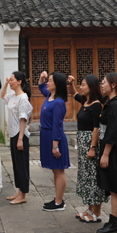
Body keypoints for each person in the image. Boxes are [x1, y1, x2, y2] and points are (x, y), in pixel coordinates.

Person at [68, 74, 108, 223]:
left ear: (91, 86)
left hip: (90, 142)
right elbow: (73, 93)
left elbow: (96, 128)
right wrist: (71, 83)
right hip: (83, 143)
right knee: (87, 177)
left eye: (83, 85)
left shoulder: (96, 105)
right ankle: (90, 209)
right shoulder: (85, 101)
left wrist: (92, 147)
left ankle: (96, 212)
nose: (81, 87)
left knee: (93, 178)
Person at [95, 72, 117, 233]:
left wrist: (105, 154)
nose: (102, 85)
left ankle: (114, 222)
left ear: (113, 84)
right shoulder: (111, 102)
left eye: (104, 82)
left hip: (113, 148)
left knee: (116, 188)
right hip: (114, 147)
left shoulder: (115, 105)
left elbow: (112, 131)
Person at [39, 71, 70, 212]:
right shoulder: (49, 96)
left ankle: (59, 203)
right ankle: (58, 199)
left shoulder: (59, 102)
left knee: (59, 170)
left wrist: (55, 146)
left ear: (57, 84)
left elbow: (57, 125)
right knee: (55, 170)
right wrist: (42, 77)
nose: (48, 82)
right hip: (46, 135)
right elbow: (41, 87)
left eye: (50, 80)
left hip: (54, 137)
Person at [1, 71, 33, 204]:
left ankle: (23, 195)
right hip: (13, 134)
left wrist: (20, 139)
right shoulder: (13, 96)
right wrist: (5, 83)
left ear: (19, 82)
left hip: (21, 136)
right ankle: (19, 192)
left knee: (22, 165)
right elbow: (2, 96)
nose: (10, 82)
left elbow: (23, 119)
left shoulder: (23, 98)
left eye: (12, 80)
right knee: (16, 165)